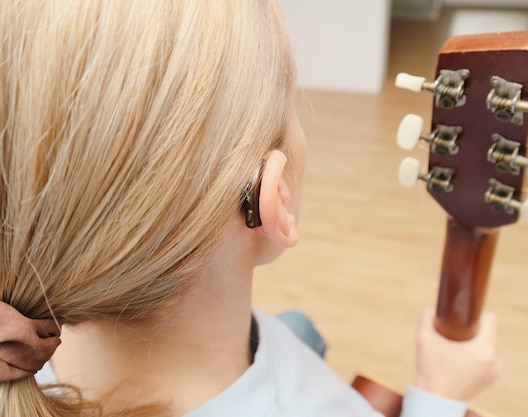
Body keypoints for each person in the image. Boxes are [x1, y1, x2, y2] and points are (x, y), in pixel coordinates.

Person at [0, 1, 501, 416]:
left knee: (300, 326)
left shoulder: (18, 349)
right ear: (270, 199)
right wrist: (439, 394)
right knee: (301, 331)